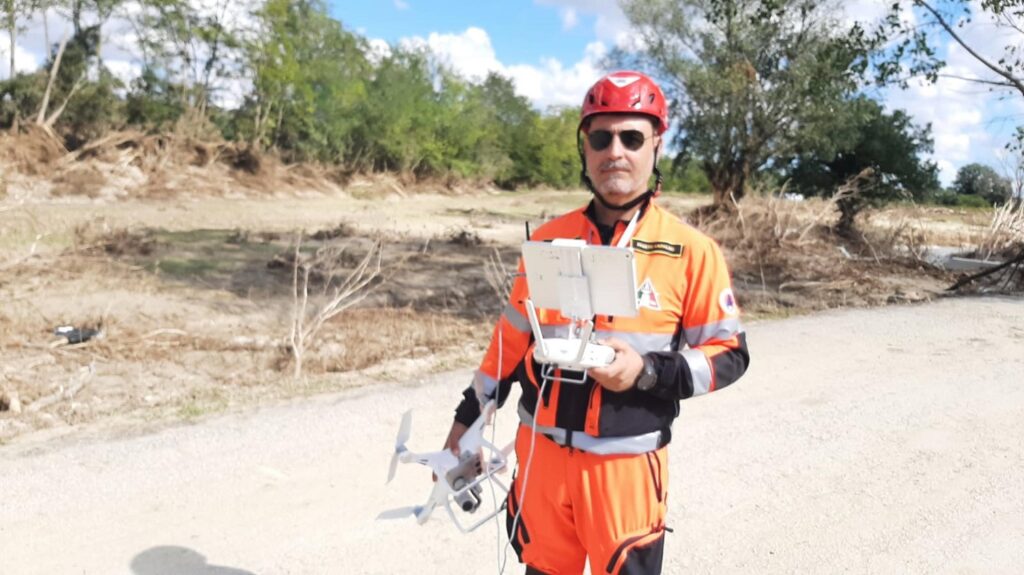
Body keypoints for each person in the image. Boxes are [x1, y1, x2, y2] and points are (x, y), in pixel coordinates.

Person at [443, 71, 750, 575]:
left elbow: (730, 355)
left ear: (656, 146)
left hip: (624, 471)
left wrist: (647, 371)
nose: (615, 151)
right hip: (540, 462)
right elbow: (509, 344)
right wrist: (467, 419)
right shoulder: (547, 240)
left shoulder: (693, 252)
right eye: (600, 137)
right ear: (584, 148)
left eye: (632, 137)